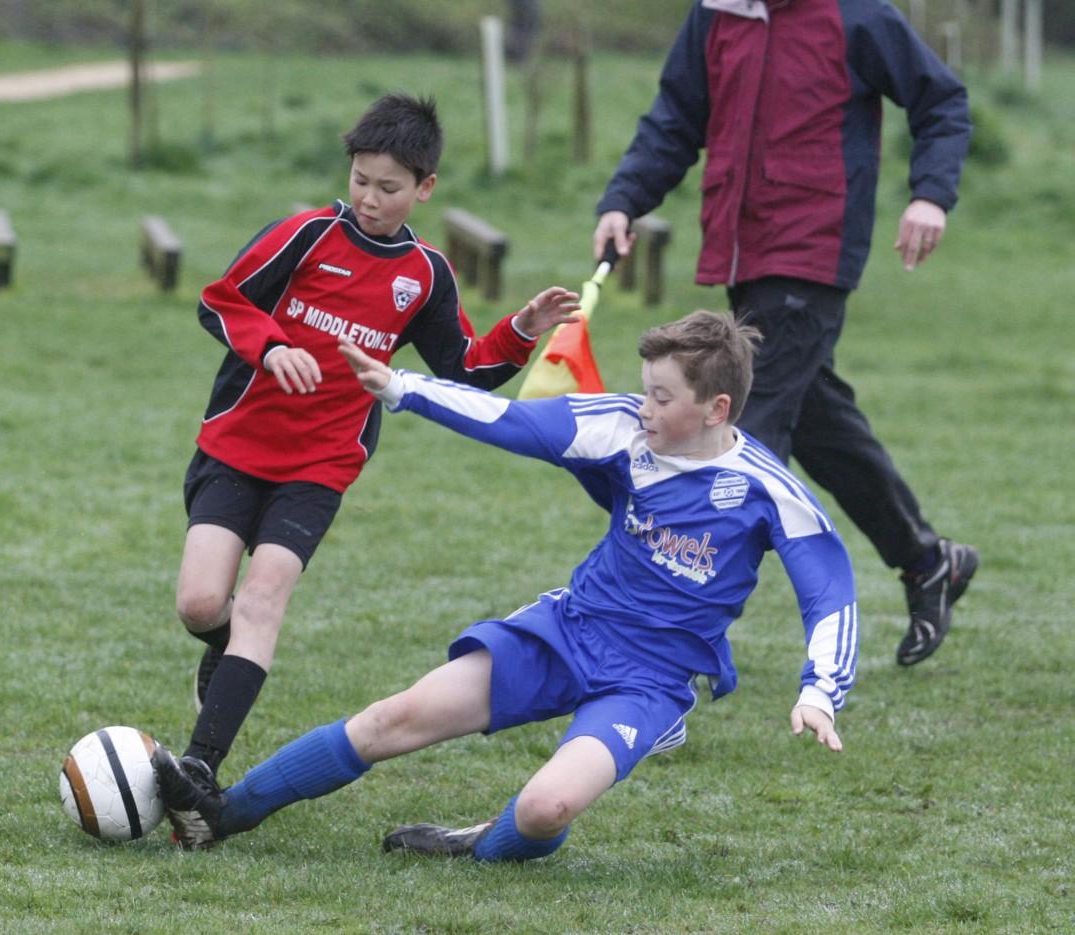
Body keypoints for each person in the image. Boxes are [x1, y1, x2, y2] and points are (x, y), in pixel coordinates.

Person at [151, 310, 860, 858]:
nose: (642, 406)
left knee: (544, 810)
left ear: (717, 409)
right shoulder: (620, 429)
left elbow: (828, 589)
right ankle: (221, 813)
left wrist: (819, 690)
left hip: (648, 681)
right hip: (565, 631)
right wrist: (404, 387)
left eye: (662, 396)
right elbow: (512, 421)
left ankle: (480, 844)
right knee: (388, 720)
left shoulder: (767, 490)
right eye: (644, 389)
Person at [174, 92, 581, 791]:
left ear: (425, 189)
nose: (369, 198)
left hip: (322, 463)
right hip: (237, 443)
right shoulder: (305, 234)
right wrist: (271, 349)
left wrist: (524, 325)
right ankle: (225, 646)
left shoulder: (425, 274)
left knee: (266, 595)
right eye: (360, 180)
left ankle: (199, 767)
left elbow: (465, 371)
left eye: (389, 188)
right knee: (201, 605)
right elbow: (222, 299)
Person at [592, 0, 977, 667]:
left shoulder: (855, 16)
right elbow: (675, 119)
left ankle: (668, 648)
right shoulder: (715, 14)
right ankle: (927, 561)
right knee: (822, 428)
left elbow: (940, 99)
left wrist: (930, 194)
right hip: (744, 258)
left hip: (813, 254)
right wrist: (626, 198)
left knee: (739, 437)